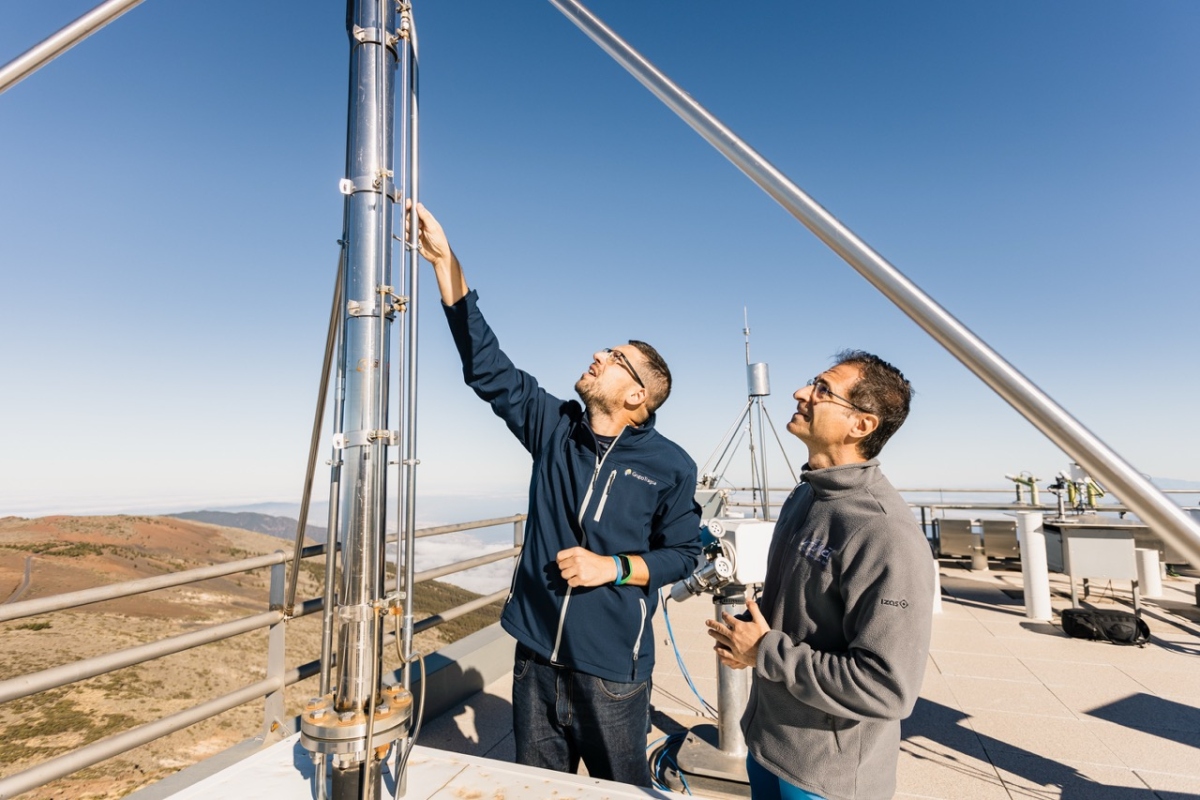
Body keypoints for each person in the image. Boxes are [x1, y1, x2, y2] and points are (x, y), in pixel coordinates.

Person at [410, 203, 702, 786]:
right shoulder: (555, 428)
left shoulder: (670, 466)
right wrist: (446, 264)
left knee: (622, 791)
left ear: (639, 397)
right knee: (537, 790)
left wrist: (613, 568)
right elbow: (486, 368)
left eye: (617, 359)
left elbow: (685, 553)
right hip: (535, 654)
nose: (599, 354)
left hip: (612, 671)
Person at [706, 352, 933, 800]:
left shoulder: (883, 531)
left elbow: (887, 688)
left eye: (823, 390)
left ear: (861, 425)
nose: (801, 393)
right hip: (769, 746)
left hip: (825, 777)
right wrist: (750, 646)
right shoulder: (806, 496)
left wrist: (767, 653)